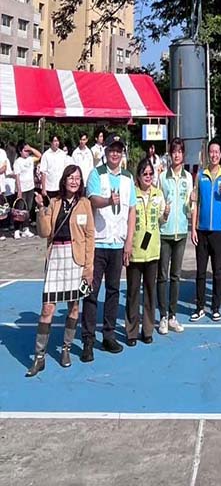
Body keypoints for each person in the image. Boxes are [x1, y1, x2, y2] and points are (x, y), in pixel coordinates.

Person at [25, 166, 94, 376]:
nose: (74, 181)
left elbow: (90, 236)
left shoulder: (85, 204)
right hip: (56, 257)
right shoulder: (54, 203)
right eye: (70, 178)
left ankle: (66, 349)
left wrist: (89, 267)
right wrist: (41, 209)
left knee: (74, 306)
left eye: (77, 178)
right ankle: (39, 357)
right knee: (47, 309)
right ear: (64, 180)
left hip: (76, 259)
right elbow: (44, 232)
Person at [82, 136, 137, 360]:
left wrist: (129, 241)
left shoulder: (128, 177)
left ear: (122, 153)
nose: (115, 154)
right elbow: (93, 200)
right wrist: (108, 201)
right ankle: (87, 340)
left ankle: (108, 335)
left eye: (118, 150)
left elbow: (131, 210)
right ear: (105, 152)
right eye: (111, 150)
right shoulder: (97, 174)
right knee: (91, 292)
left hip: (117, 243)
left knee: (113, 291)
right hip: (98, 242)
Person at [190, 141, 221, 321]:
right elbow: (195, 203)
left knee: (218, 271)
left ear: (220, 155)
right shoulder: (201, 175)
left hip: (218, 232)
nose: (214, 155)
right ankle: (199, 307)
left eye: (217, 152)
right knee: (200, 272)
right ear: (208, 154)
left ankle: (215, 307)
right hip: (201, 231)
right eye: (212, 152)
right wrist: (193, 229)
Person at [125, 158, 167, 346]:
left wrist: (166, 214)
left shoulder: (158, 194)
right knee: (133, 293)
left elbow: (161, 220)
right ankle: (131, 331)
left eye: (151, 173)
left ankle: (148, 330)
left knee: (150, 293)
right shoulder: (132, 194)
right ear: (138, 176)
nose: (148, 177)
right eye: (145, 174)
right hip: (135, 250)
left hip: (152, 250)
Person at [157, 138, 192, 336]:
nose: (177, 155)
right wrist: (163, 214)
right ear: (170, 154)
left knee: (176, 276)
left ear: (183, 154)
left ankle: (172, 315)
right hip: (165, 232)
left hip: (181, 232)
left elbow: (189, 206)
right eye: (174, 151)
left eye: (180, 151)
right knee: (162, 276)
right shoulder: (162, 177)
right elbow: (157, 201)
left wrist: (192, 203)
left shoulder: (188, 177)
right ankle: (162, 316)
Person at [39, 135, 75, 199]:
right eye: (55, 141)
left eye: (58, 141)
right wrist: (43, 189)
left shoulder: (62, 154)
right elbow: (43, 173)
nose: (57, 143)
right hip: (49, 188)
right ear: (51, 142)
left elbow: (66, 170)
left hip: (60, 187)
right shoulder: (46, 155)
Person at [13, 143, 36, 239]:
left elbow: (39, 155)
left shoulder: (30, 159)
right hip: (22, 188)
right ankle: (16, 230)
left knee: (28, 209)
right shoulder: (17, 162)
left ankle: (25, 228)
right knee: (19, 210)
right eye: (25, 150)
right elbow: (17, 177)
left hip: (30, 187)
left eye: (28, 151)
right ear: (20, 151)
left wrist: (31, 148)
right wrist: (19, 190)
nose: (27, 152)